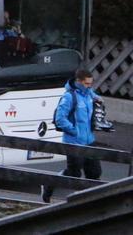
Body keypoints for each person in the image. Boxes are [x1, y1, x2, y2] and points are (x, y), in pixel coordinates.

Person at [41, 68, 102, 203]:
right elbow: (60, 119)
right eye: (86, 84)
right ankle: (49, 185)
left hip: (89, 140)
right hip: (74, 142)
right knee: (73, 173)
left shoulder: (88, 94)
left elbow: (95, 98)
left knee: (94, 172)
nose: (89, 86)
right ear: (78, 82)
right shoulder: (69, 97)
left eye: (91, 84)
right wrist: (74, 131)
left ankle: (91, 201)